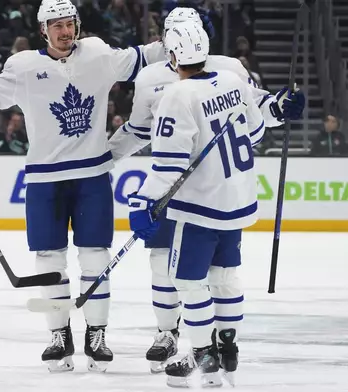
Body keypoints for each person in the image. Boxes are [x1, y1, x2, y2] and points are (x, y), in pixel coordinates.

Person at [108, 7, 306, 374]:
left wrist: (280, 106)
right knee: (182, 269)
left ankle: (203, 349)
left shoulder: (222, 72)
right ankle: (174, 335)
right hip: (223, 196)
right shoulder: (159, 78)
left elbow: (258, 107)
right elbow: (139, 130)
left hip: (190, 196)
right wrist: (107, 155)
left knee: (187, 275)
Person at [0, 0, 165, 373]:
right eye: (56, 25)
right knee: (49, 259)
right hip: (44, 179)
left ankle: (97, 335)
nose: (65, 31)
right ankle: (58, 333)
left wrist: (178, 31)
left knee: (95, 256)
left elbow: (146, 56)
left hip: (92, 175)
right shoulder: (23, 67)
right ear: (42, 30)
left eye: (69, 23)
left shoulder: (98, 53)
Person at [127, 22, 264, 388]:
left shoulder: (177, 95)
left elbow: (168, 166)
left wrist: (144, 202)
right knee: (224, 278)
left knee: (188, 282)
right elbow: (257, 131)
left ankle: (203, 353)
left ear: (172, 56)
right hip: (236, 200)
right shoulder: (234, 82)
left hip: (200, 207)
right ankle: (227, 347)